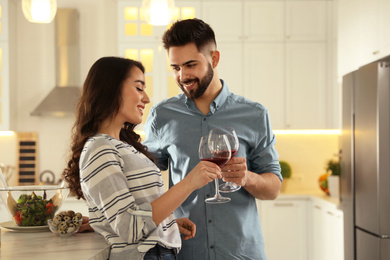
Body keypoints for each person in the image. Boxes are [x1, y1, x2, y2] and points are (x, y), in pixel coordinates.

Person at [143, 19, 282, 260]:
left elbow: (273, 189)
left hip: (240, 252)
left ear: (214, 59)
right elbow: (144, 181)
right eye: (175, 67)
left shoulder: (255, 115)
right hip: (186, 250)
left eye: (190, 65)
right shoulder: (162, 115)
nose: (182, 75)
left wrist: (247, 177)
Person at [62, 56, 222, 260]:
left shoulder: (118, 146)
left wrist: (167, 223)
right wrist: (190, 183)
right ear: (111, 89)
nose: (146, 98)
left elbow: (131, 216)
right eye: (139, 88)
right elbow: (129, 228)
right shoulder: (99, 148)